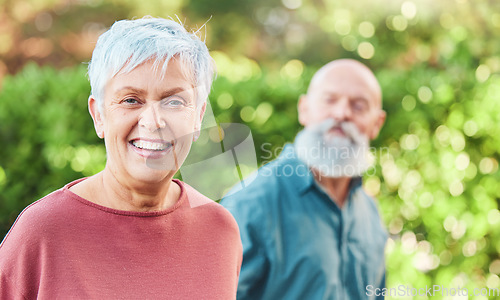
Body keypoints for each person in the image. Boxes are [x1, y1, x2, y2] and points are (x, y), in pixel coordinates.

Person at [0, 17, 242, 299]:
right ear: (99, 115)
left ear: (199, 117)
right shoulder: (42, 232)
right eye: (131, 100)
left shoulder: (220, 230)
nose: (153, 122)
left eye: (174, 101)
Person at [220, 59, 387, 299]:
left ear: (377, 124)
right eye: (329, 100)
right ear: (304, 109)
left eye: (358, 106)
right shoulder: (249, 205)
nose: (341, 114)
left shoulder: (369, 213)